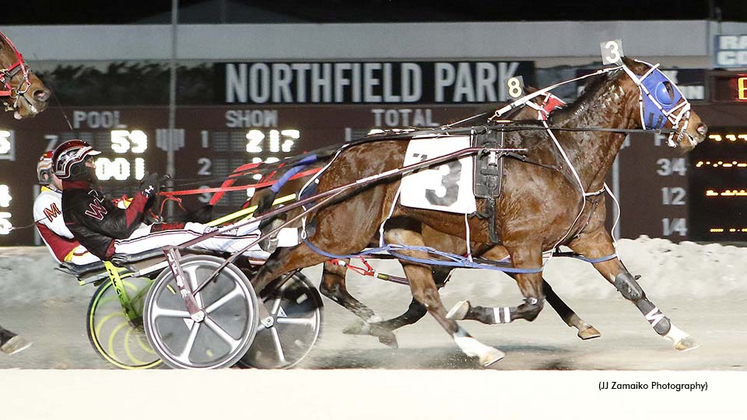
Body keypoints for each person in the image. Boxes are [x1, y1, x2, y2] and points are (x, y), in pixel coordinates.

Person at [53, 139, 273, 263]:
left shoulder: (84, 194)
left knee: (194, 229)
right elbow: (120, 228)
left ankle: (251, 235)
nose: (93, 165)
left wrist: (149, 194)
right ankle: (259, 246)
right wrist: (144, 193)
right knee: (191, 234)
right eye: (89, 161)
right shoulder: (77, 200)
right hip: (121, 245)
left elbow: (122, 219)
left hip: (132, 236)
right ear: (75, 166)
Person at [34, 151, 100, 265]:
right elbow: (68, 230)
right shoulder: (44, 200)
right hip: (75, 253)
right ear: (46, 176)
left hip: (91, 245)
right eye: (60, 172)